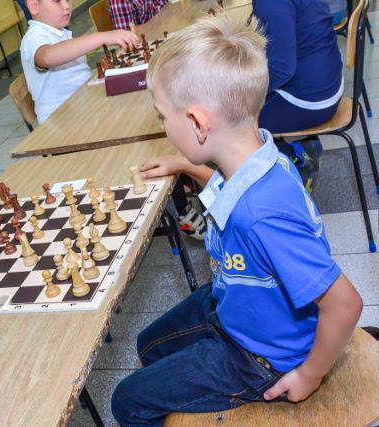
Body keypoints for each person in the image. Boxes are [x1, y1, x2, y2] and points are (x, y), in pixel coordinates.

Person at [111, 16, 362, 426]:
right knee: (148, 346)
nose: (162, 127)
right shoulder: (259, 156)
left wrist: (310, 375)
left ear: (197, 123)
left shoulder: (260, 214)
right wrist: (185, 164)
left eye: (162, 117)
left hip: (260, 357)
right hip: (239, 300)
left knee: (127, 401)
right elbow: (229, 188)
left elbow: (345, 304)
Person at [254, 0, 343, 187]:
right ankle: (304, 146)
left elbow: (281, 69)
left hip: (311, 100)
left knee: (234, 122)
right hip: (328, 81)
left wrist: (241, 95)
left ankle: (295, 161)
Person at [21, 0, 140, 123]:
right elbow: (47, 57)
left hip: (85, 106)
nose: (66, 6)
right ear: (34, 6)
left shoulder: (61, 32)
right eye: (57, 1)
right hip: (61, 121)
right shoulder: (33, 38)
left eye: (68, 0)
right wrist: (102, 37)